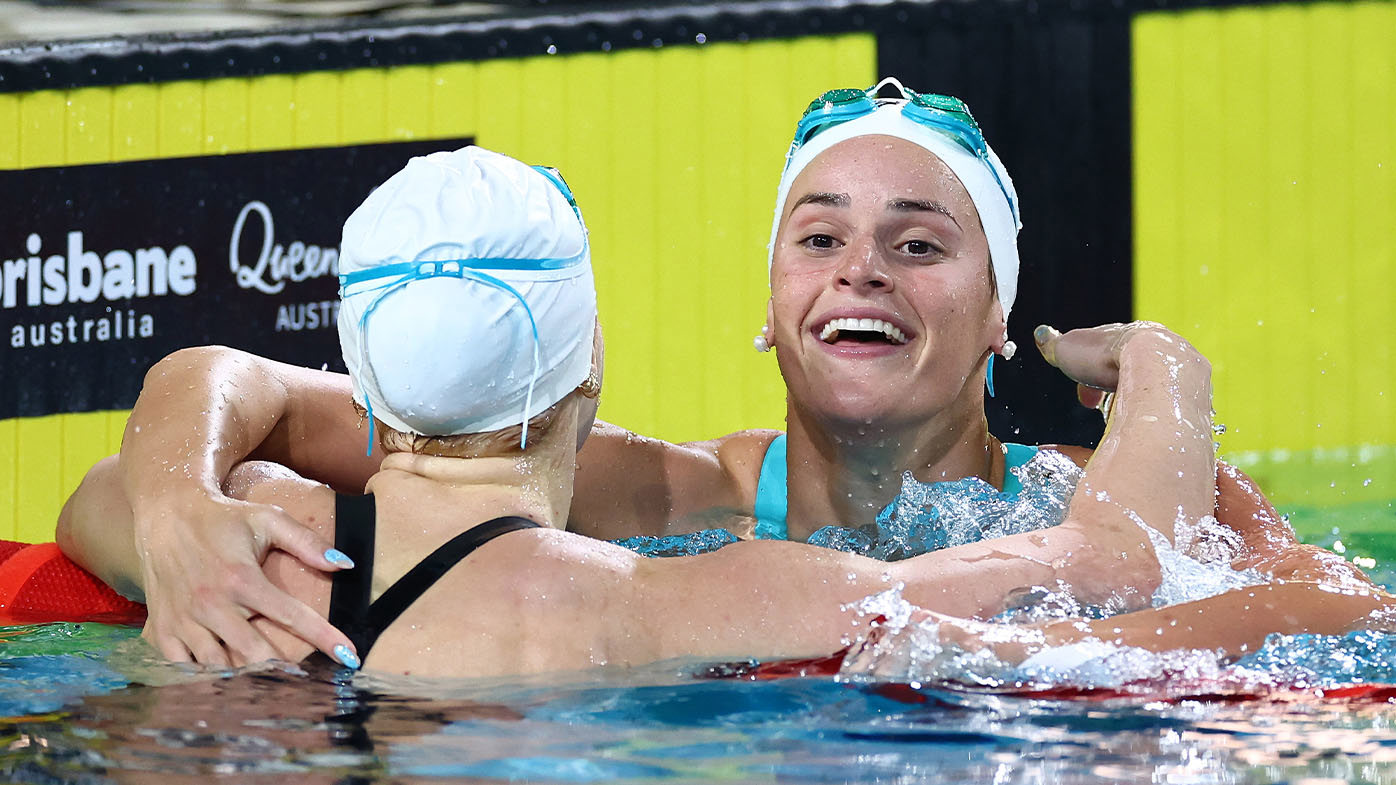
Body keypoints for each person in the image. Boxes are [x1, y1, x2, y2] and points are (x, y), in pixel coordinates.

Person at [58, 79, 1359, 668]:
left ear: (1001, 311)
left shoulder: (1097, 492)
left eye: (918, 242)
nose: (861, 270)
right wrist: (174, 493)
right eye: (819, 237)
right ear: (770, 306)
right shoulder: (676, 498)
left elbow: (1299, 604)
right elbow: (238, 377)